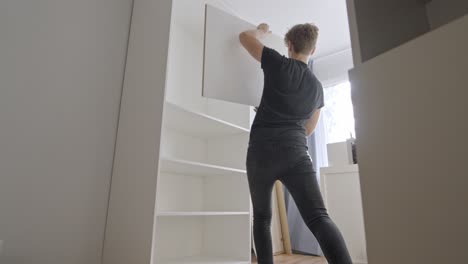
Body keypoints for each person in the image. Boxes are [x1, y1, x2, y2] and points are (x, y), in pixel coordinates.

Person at [239, 23, 353, 264]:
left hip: (261, 152)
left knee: (262, 218)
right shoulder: (317, 88)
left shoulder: (277, 62)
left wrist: (260, 31)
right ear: (313, 50)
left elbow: (244, 37)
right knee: (319, 218)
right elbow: (309, 128)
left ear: (289, 46)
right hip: (296, 154)